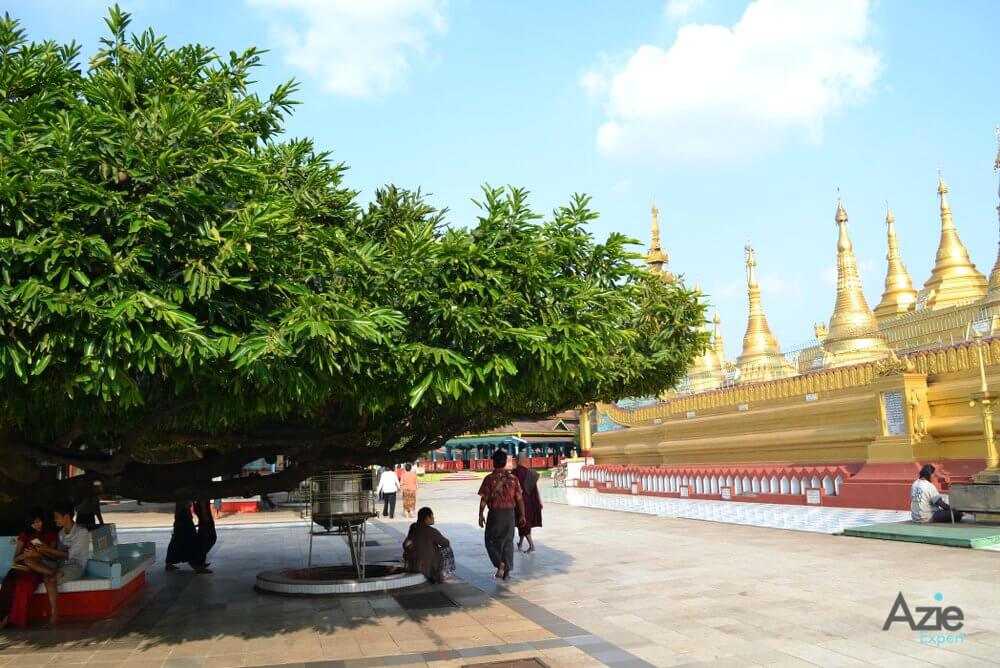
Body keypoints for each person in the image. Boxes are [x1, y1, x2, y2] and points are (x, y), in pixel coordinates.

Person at [19, 501, 90, 625]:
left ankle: (55, 615)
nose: (55, 520)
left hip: (75, 566)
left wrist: (47, 549)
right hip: (60, 564)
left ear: (66, 517)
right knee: (29, 560)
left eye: (57, 517)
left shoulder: (81, 532)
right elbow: (56, 555)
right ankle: (53, 572)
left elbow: (68, 555)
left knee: (50, 579)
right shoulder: (61, 533)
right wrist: (41, 551)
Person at [0, 508, 58, 629]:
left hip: (36, 568)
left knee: (23, 584)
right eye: (33, 522)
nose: (36, 525)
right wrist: (25, 555)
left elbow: (51, 556)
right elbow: (15, 559)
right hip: (19, 566)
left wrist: (37, 554)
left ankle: (11, 619)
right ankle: (5, 617)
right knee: (9, 583)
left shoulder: (50, 534)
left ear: (43, 520)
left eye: (38, 521)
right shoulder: (25, 535)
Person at [477, 450, 526, 580]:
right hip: (510, 514)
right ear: (505, 462)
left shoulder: (489, 479)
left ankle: (500, 563)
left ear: (494, 462)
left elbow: (484, 499)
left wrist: (480, 515)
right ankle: (507, 573)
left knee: (490, 540)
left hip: (495, 514)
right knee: (508, 542)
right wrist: (522, 515)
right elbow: (520, 498)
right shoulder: (513, 479)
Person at [402, 507, 454, 583]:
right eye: (432, 516)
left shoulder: (414, 528)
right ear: (427, 518)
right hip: (426, 567)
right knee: (447, 549)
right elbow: (445, 543)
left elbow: (405, 545)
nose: (433, 518)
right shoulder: (431, 531)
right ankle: (442, 574)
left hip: (412, 564)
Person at [165, 501, 211, 573]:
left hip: (182, 519)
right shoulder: (183, 495)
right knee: (190, 542)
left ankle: (169, 563)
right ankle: (197, 566)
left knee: (177, 541)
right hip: (184, 519)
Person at [512, 453, 543, 553]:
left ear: (518, 460)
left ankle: (531, 545)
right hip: (529, 502)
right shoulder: (531, 473)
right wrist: (538, 502)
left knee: (523, 523)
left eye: (516, 459)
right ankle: (520, 543)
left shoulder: (515, 472)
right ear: (524, 460)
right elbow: (535, 490)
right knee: (524, 523)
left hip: (519, 502)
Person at [193, 500, 217, 569]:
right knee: (207, 540)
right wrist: (204, 518)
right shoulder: (202, 497)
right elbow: (202, 505)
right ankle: (199, 562)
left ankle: (198, 559)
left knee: (208, 540)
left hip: (205, 518)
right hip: (205, 520)